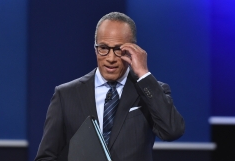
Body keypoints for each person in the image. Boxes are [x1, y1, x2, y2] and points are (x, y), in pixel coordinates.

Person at [35, 12, 185, 161]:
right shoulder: (65, 95)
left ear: (132, 50)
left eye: (119, 49)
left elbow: (172, 131)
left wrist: (143, 74)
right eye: (103, 48)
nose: (111, 58)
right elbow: (46, 157)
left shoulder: (149, 91)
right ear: (95, 48)